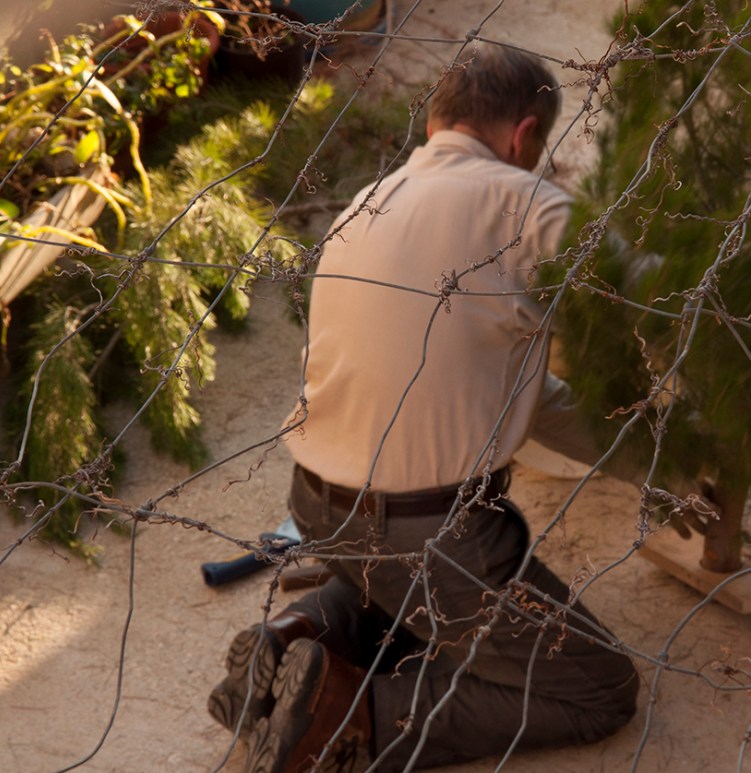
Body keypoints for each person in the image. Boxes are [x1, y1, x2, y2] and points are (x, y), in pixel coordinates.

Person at [208, 45, 639, 773]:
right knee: (597, 688)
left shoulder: (365, 204)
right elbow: (667, 293)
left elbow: (519, 395)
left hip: (318, 508)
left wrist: (649, 457)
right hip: (430, 535)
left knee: (401, 588)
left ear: (437, 122)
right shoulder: (529, 206)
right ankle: (350, 716)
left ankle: (296, 636)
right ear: (524, 135)